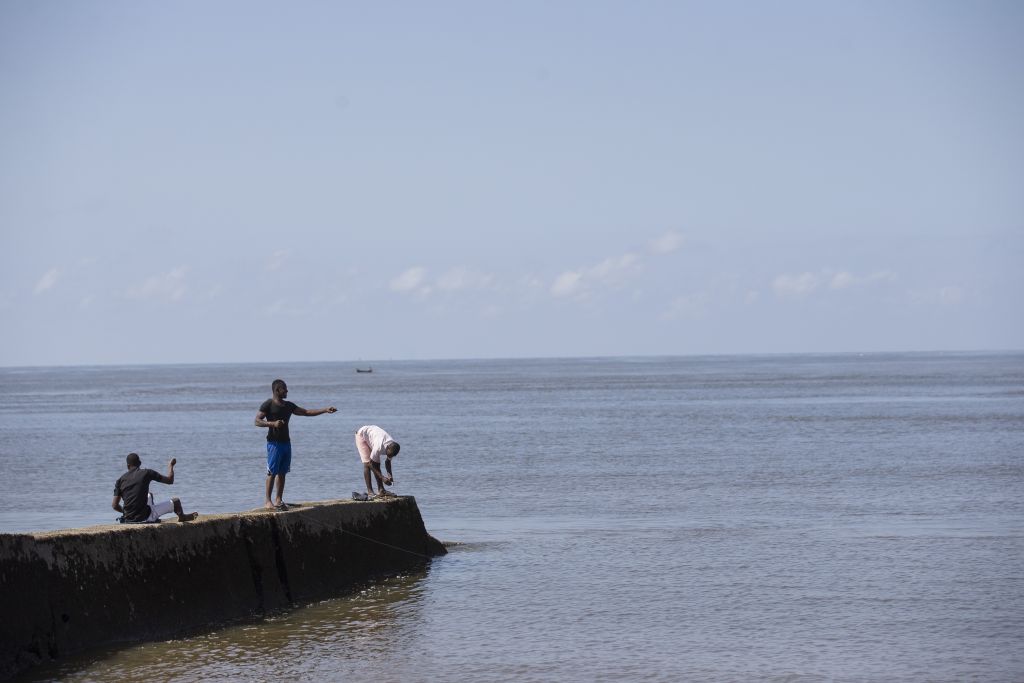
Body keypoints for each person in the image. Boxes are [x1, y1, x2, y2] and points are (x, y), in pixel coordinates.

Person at [255, 378, 337, 510]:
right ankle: (268, 501)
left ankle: (278, 500)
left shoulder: (288, 406)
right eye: (284, 389)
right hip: (274, 443)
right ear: (277, 390)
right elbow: (257, 421)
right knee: (272, 472)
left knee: (282, 472)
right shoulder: (268, 404)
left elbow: (306, 412)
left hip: (286, 443)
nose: (287, 391)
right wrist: (273, 424)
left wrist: (325, 410)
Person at [112, 452, 197, 523]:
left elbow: (115, 505)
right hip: (144, 518)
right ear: (140, 463)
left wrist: (126, 512)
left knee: (149, 495)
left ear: (127, 466)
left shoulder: (120, 480)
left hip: (128, 519)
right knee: (176, 502)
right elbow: (170, 481)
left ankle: (152, 517)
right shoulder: (146, 473)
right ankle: (182, 517)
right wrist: (171, 466)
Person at [355, 424, 401, 498]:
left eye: (391, 456)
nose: (389, 456)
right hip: (361, 435)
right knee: (367, 463)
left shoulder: (393, 448)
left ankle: (381, 490)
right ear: (387, 447)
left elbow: (387, 462)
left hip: (372, 436)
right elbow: (370, 464)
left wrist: (390, 475)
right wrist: (382, 478)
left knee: (377, 464)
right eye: (388, 455)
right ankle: (370, 492)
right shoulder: (378, 447)